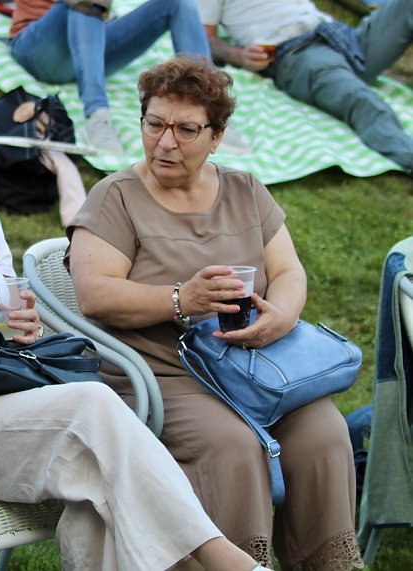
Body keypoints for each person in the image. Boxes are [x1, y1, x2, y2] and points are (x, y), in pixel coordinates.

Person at [0, 60, 272, 571]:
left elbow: (5, 313)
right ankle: (229, 561)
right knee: (92, 406)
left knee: (93, 495)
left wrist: (25, 328)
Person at [66, 56, 363, 569]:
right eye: (155, 124)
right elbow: (95, 294)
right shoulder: (116, 198)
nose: (165, 142)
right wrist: (182, 300)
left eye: (185, 129)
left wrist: (283, 316)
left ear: (216, 136)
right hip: (164, 374)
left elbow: (290, 272)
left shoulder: (246, 191)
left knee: (325, 434)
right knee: (232, 445)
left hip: (257, 371)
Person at [198, 0, 413, 175]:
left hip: (340, 37)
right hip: (297, 52)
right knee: (363, 102)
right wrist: (239, 56)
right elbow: (203, 38)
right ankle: (407, 154)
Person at [9, 0, 212, 154]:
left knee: (178, 3)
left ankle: (207, 108)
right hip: (38, 49)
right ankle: (97, 115)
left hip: (91, 46)